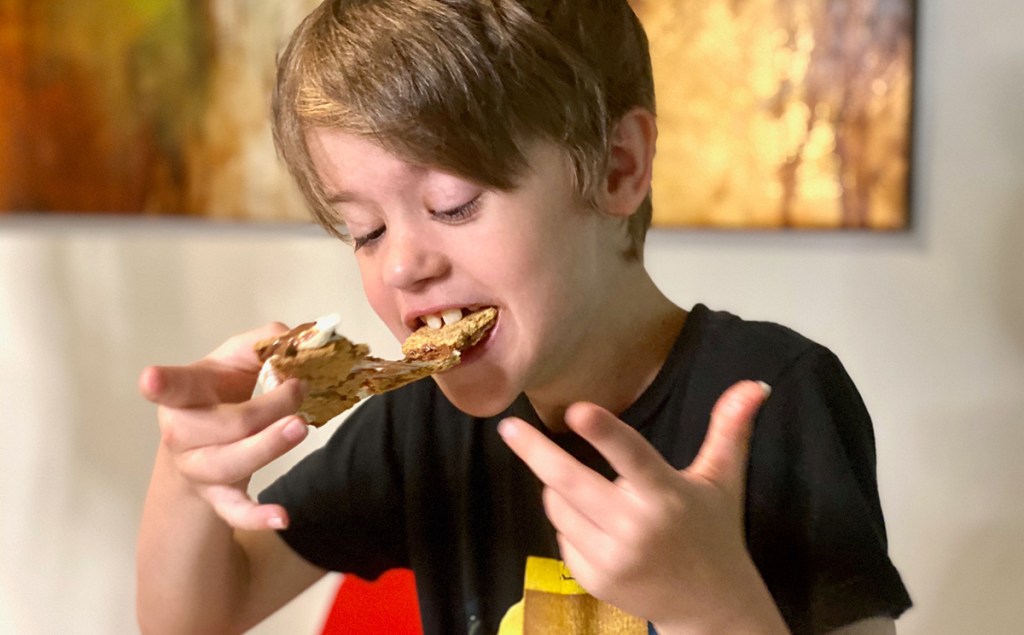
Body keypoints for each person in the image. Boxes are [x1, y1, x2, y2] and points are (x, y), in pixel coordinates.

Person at [136, 1, 912, 633]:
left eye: (453, 203)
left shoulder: (770, 399)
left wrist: (711, 608)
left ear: (616, 169)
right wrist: (188, 470)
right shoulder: (422, 430)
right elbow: (196, 617)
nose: (403, 264)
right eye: (364, 230)